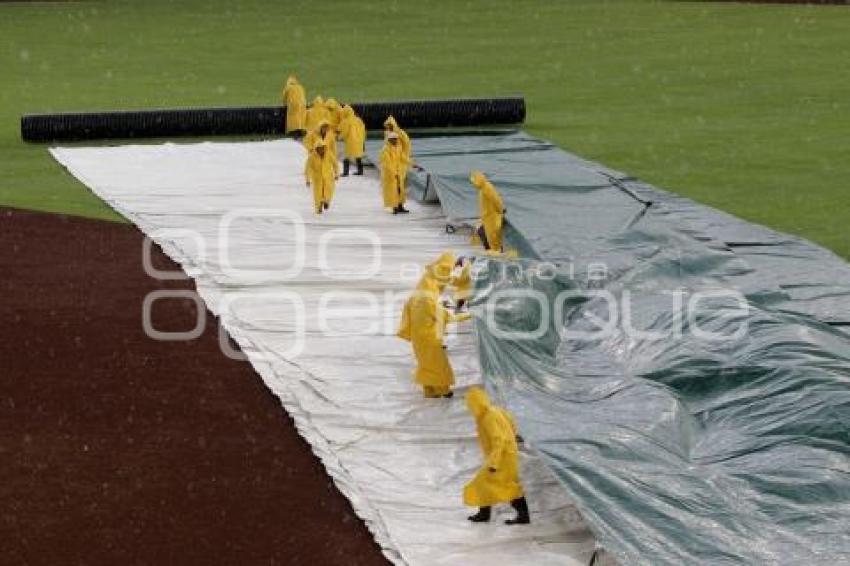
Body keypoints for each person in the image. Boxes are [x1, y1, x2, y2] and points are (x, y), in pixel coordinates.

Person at [397, 252, 470, 398]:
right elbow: (447, 316)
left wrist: (463, 270)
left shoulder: (429, 279)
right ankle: (443, 390)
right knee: (438, 364)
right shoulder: (427, 299)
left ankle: (429, 390)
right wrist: (470, 314)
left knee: (426, 362)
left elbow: (449, 279)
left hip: (420, 335)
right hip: (428, 335)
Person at [463, 387, 530, 525]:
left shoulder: (488, 417)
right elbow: (511, 421)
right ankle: (486, 514)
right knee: (501, 484)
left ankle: (486, 514)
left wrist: (494, 463)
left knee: (489, 484)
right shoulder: (496, 410)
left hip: (501, 458)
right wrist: (515, 436)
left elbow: (497, 440)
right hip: (508, 455)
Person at [470, 171, 506, 253]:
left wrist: (501, 210)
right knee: (484, 233)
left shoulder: (487, 188)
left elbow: (496, 200)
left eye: (474, 181)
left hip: (492, 218)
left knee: (493, 238)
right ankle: (491, 252)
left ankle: (496, 253)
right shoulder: (482, 189)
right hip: (487, 218)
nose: (474, 184)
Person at [304, 140, 338, 214]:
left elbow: (335, 164)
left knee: (328, 191)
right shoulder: (312, 157)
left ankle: (326, 201)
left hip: (328, 177)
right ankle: (318, 207)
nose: (321, 150)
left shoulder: (329, 154)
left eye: (322, 148)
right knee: (317, 193)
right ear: (316, 149)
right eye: (319, 148)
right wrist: (307, 180)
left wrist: (336, 174)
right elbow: (307, 169)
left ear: (324, 148)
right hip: (317, 178)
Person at [380, 132, 410, 214]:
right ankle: (395, 207)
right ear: (389, 140)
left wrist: (412, 164)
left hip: (398, 172)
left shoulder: (398, 148)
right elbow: (387, 164)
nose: (396, 141)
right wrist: (394, 173)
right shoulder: (385, 150)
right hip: (390, 174)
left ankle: (400, 206)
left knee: (400, 190)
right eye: (394, 139)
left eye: (396, 139)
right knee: (393, 191)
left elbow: (403, 157)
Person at [383, 116, 412, 191]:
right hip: (393, 156)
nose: (388, 127)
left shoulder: (400, 133)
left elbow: (407, 144)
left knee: (400, 174)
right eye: (387, 125)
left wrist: (405, 153)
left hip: (399, 156)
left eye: (389, 125)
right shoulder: (387, 133)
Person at [338, 105, 366, 176]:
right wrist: (362, 140)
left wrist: (339, 137)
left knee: (346, 156)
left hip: (350, 141)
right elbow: (363, 130)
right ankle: (360, 171)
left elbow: (344, 132)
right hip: (359, 140)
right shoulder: (358, 120)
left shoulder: (345, 121)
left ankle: (345, 172)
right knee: (358, 156)